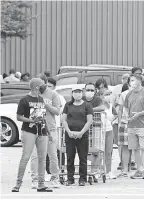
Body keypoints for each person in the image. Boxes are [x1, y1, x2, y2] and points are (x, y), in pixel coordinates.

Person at [12, 78, 52, 192]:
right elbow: (18, 117)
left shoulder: (42, 100)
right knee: (25, 157)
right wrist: (31, 121)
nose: (45, 87)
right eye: (43, 85)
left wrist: (48, 132)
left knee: (42, 158)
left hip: (42, 131)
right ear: (36, 87)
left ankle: (41, 184)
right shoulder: (24, 100)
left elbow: (43, 117)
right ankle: (18, 184)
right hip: (29, 131)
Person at [30, 73, 61, 189]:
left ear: (45, 83)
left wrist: (45, 105)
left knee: (52, 155)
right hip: (36, 129)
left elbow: (57, 111)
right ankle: (35, 179)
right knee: (35, 156)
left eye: (40, 85)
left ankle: (54, 178)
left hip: (51, 129)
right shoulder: (33, 94)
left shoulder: (53, 94)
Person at [62, 84, 93, 186]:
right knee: (70, 157)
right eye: (75, 92)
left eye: (79, 92)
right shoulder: (68, 105)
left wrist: (81, 133)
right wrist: (69, 132)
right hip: (69, 135)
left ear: (82, 93)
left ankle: (82, 178)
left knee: (83, 158)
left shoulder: (87, 105)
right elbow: (64, 120)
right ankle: (70, 178)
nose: (77, 94)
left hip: (82, 135)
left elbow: (89, 121)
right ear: (72, 93)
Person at [124, 74, 144, 179]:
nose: (132, 83)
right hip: (131, 125)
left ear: (140, 80)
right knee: (135, 149)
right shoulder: (129, 94)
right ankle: (139, 169)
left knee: (143, 148)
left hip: (142, 126)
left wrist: (139, 114)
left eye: (133, 80)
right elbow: (126, 107)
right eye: (130, 81)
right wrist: (127, 115)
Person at [111, 74, 131, 170]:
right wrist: (119, 122)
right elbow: (118, 108)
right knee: (123, 145)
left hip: (138, 123)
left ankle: (136, 165)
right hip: (123, 121)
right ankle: (124, 166)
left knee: (137, 146)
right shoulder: (122, 93)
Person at [100, 88, 118, 179]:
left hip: (109, 130)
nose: (107, 96)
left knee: (108, 152)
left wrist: (111, 120)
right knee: (99, 152)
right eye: (106, 94)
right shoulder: (98, 105)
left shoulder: (110, 106)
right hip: (99, 131)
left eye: (109, 94)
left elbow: (116, 114)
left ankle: (108, 171)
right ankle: (99, 170)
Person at [117, 80, 132, 177]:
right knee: (125, 147)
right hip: (126, 122)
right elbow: (120, 109)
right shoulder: (124, 94)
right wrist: (119, 122)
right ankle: (125, 169)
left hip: (140, 123)